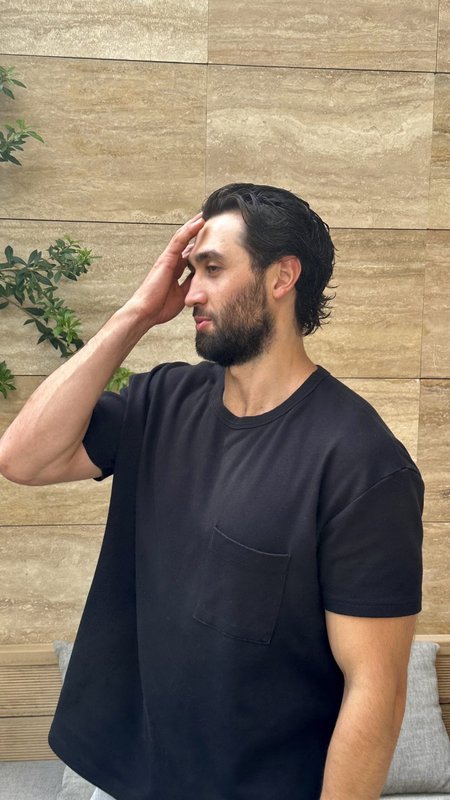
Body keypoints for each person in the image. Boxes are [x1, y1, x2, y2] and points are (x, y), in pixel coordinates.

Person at [0, 183, 423, 800]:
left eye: (213, 268)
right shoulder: (162, 400)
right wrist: (136, 313)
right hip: (132, 782)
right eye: (190, 269)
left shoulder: (361, 462)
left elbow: (376, 690)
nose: (192, 292)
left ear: (282, 277)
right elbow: (23, 458)